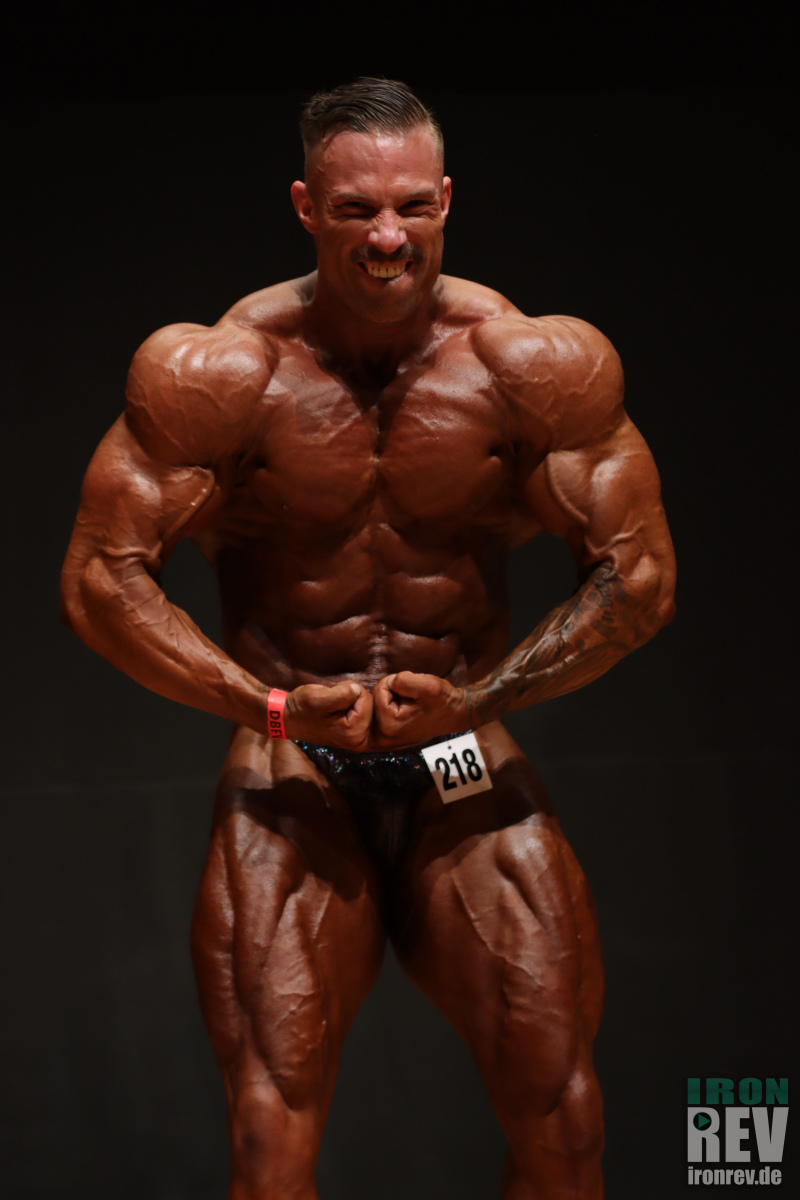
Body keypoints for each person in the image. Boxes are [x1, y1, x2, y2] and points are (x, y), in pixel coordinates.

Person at [61, 77, 676, 1200]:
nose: (387, 237)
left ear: (446, 199)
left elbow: (639, 578)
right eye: (355, 209)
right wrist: (266, 707)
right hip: (293, 753)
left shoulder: (529, 368)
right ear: (306, 207)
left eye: (410, 206)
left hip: (456, 746)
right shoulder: (222, 375)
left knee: (562, 1111)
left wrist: (480, 700)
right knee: (269, 1135)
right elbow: (101, 582)